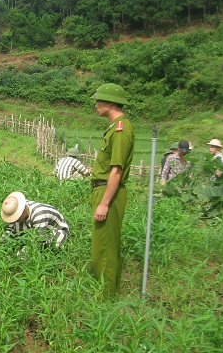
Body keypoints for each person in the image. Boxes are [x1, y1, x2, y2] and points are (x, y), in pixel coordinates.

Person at [90, 83, 134, 298]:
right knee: (100, 245)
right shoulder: (114, 128)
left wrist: (105, 203)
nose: (96, 105)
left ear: (110, 102)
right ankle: (101, 291)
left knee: (106, 249)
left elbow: (116, 171)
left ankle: (105, 299)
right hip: (103, 190)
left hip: (109, 193)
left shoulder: (121, 129)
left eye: (98, 100)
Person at [0, 191, 70, 250]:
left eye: (16, 217)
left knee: (54, 244)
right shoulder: (20, 208)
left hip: (54, 230)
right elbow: (11, 229)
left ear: (23, 210)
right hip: (36, 229)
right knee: (17, 231)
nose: (15, 220)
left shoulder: (39, 214)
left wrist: (18, 256)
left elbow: (38, 240)